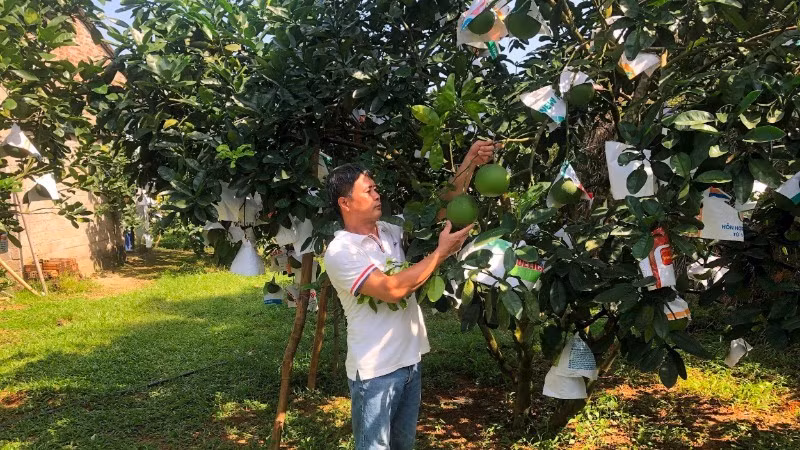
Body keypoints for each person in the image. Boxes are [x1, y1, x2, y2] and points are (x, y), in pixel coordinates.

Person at [323, 140, 498, 449]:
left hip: (409, 362)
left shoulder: (390, 230)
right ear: (345, 203)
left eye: (377, 188)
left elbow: (444, 207)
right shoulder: (341, 251)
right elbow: (392, 290)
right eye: (368, 191)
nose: (377, 195)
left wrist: (470, 161)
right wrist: (440, 254)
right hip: (375, 371)